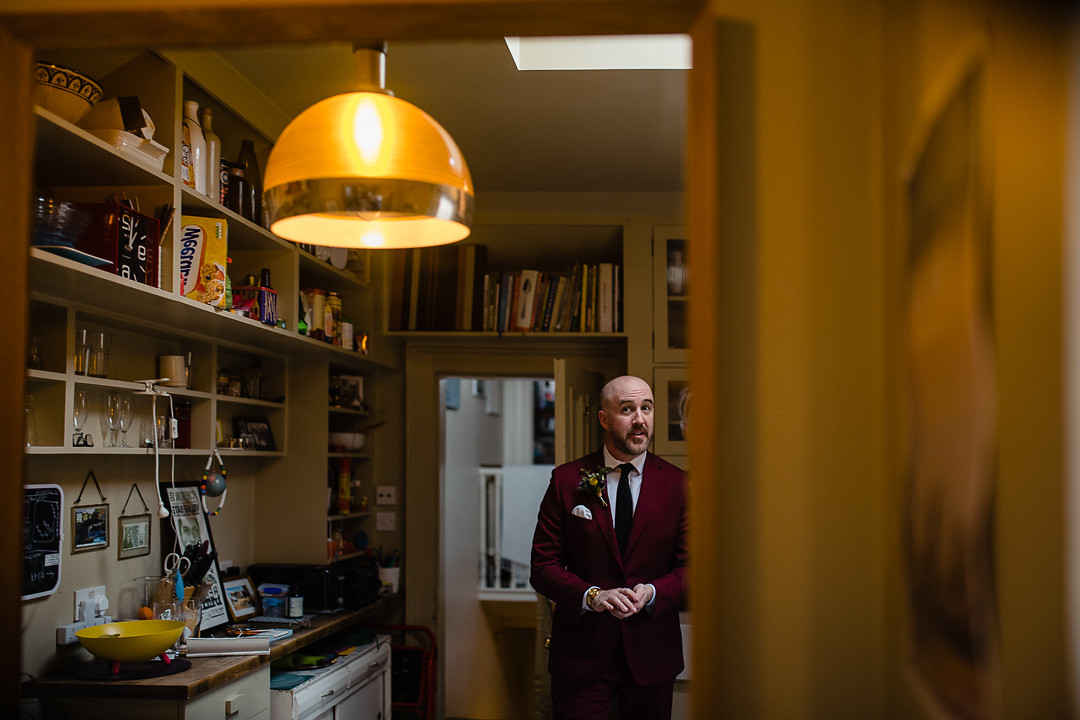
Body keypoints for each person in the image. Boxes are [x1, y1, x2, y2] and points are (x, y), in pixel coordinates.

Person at [531, 375, 689, 720]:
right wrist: (592, 596)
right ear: (604, 419)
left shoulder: (679, 485)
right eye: (627, 409)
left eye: (646, 408)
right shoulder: (567, 480)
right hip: (582, 655)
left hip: (651, 653)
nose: (639, 419)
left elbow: (692, 568)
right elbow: (543, 567)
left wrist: (651, 591)